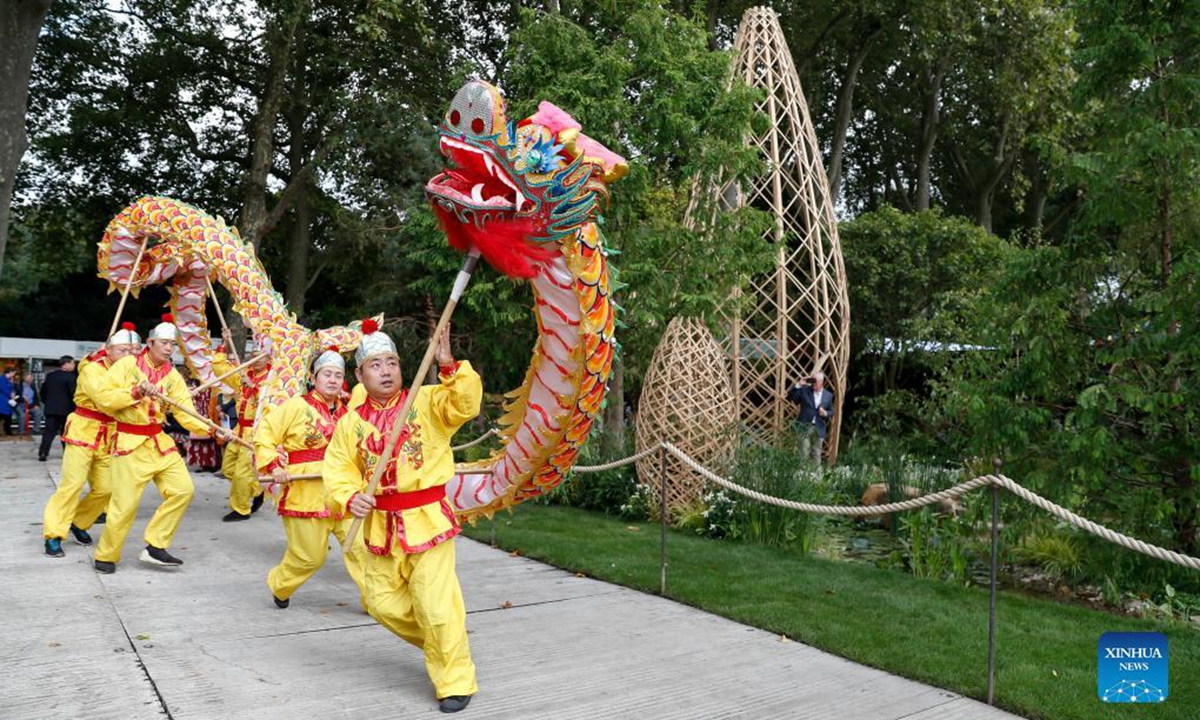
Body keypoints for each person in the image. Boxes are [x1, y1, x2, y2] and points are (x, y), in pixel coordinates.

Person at [324, 320, 481, 714]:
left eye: (392, 362)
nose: (387, 370)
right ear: (359, 375)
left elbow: (465, 404)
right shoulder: (350, 423)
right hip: (380, 526)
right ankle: (446, 643)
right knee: (380, 603)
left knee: (436, 606)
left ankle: (454, 679)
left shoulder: (426, 402)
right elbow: (339, 470)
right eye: (376, 365)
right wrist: (350, 497)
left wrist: (448, 366)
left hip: (427, 520)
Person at [91, 314, 226, 573]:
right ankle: (106, 555)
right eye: (164, 343)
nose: (169, 348)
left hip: (159, 442)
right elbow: (104, 398)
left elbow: (185, 411)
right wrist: (136, 392)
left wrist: (214, 429)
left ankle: (156, 545)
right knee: (125, 505)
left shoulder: (172, 375)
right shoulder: (128, 364)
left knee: (182, 490)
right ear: (150, 343)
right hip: (130, 442)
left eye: (172, 344)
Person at [256, 346, 367, 609]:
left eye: (338, 375)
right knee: (309, 558)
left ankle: (376, 600)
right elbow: (266, 434)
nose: (332, 380)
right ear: (314, 377)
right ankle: (280, 585)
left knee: (362, 549)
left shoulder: (350, 413)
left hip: (344, 492)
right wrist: (274, 466)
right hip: (305, 494)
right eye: (327, 374)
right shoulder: (296, 406)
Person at [41, 324, 140, 558]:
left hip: (109, 435)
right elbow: (105, 399)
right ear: (109, 349)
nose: (128, 355)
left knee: (106, 489)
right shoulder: (92, 369)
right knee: (71, 486)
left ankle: (79, 522)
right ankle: (54, 534)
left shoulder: (132, 372)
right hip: (83, 431)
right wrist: (135, 394)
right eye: (123, 350)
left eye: (133, 351)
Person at [213, 332, 270, 521]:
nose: (254, 360)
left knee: (242, 473)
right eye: (252, 356)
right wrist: (224, 345)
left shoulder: (273, 380)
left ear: (268, 357)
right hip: (239, 429)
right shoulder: (243, 374)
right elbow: (220, 369)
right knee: (228, 468)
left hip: (256, 431)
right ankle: (257, 489)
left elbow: (271, 403)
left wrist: (254, 387)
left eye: (258, 357)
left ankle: (241, 509)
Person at [786, 370, 835, 466]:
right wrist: (799, 385)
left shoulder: (828, 395)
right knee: (803, 453)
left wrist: (825, 413)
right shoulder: (804, 390)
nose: (812, 383)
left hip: (819, 427)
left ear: (821, 382)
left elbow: (831, 411)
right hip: (804, 426)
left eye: (814, 380)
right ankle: (802, 476)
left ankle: (816, 478)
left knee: (816, 454)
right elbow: (790, 398)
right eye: (811, 380)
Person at [38, 356, 78, 460]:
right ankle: (66, 454)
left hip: (51, 409)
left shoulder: (50, 376)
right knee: (66, 433)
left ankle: (43, 453)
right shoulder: (71, 377)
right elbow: (74, 394)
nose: (74, 366)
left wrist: (47, 403)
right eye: (73, 363)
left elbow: (43, 392)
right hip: (66, 410)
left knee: (48, 432)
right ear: (66, 364)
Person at [0, 367, 15, 436]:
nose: (14, 374)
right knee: (5, 416)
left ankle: (8, 431)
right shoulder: (1, 379)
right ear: (10, 372)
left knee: (8, 416)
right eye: (13, 373)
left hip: (7, 401)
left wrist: (12, 392)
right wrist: (10, 394)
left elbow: (11, 388)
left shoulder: (9, 380)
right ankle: (8, 431)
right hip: (2, 400)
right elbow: (3, 389)